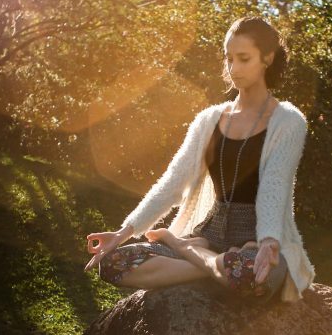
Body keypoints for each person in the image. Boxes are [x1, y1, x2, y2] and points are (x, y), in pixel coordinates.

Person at [84, 16, 315, 303]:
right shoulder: (209, 120)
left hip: (257, 240)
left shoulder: (289, 121)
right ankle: (210, 264)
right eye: (229, 58)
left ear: (267, 58)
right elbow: (172, 181)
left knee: (250, 277)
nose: (234, 69)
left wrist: (268, 240)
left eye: (244, 59)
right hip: (210, 232)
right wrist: (123, 232)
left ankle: (181, 246)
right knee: (114, 263)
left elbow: (274, 187)